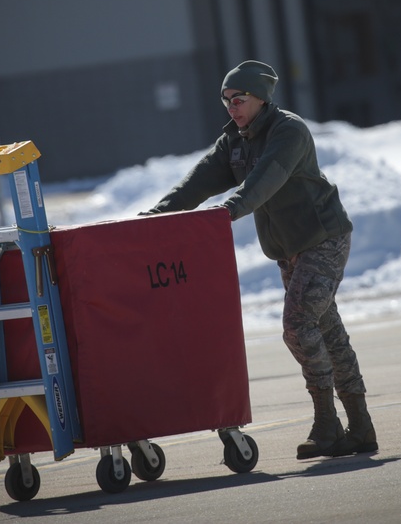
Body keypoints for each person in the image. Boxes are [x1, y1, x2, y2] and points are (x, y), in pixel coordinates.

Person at [142, 60, 377, 459]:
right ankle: (361, 428)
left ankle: (327, 425)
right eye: (226, 100)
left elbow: (266, 177)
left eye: (240, 99)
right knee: (327, 331)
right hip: (289, 249)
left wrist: (230, 210)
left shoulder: (289, 131)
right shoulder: (235, 140)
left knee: (298, 325)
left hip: (323, 239)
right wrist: (157, 215)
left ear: (262, 99)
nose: (232, 107)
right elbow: (198, 181)